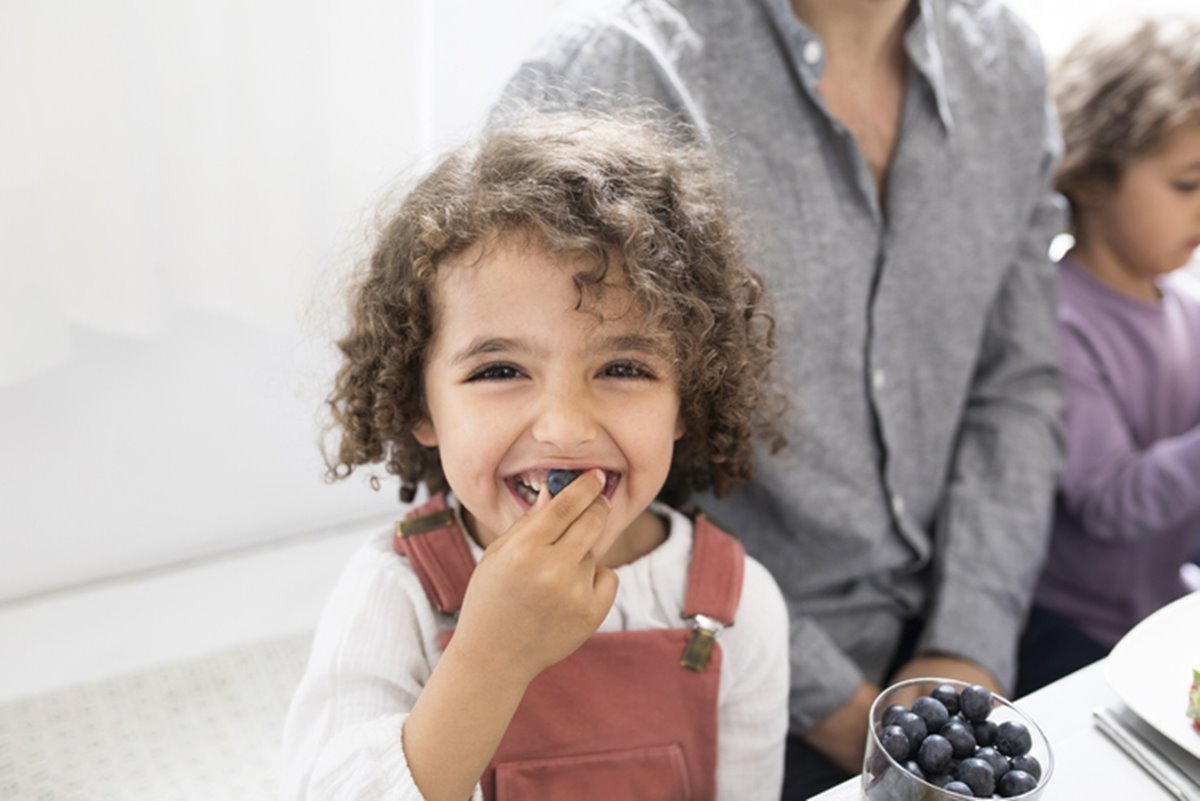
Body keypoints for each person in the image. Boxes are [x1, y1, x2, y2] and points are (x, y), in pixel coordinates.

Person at [495, 0, 1066, 795]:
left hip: (961, 627)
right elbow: (565, 457)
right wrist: (845, 709)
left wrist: (967, 645)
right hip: (707, 660)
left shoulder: (1008, 66)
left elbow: (1016, 384)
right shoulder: (615, 71)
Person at [279, 111, 791, 801]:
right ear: (419, 404)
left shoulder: (738, 605)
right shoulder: (392, 598)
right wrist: (489, 656)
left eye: (623, 368)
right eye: (498, 371)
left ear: (687, 397)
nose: (564, 427)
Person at [1016, 16, 1200, 697]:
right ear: (1091, 178)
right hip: (1072, 629)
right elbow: (1110, 502)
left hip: (1161, 601)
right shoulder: (1061, 321)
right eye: (1187, 185)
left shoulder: (1184, 307)